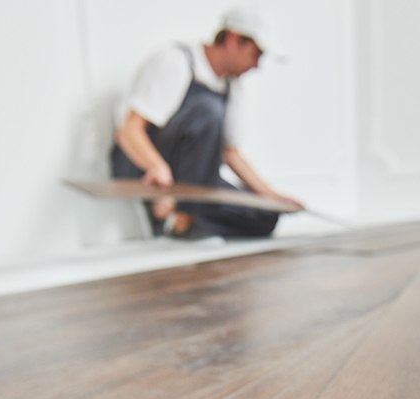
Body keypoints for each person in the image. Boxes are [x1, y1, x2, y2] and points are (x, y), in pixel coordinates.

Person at [110, 5, 304, 238]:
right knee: (207, 110)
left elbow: (230, 153)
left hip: (198, 178)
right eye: (256, 54)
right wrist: (156, 167)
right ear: (234, 39)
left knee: (264, 216)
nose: (256, 65)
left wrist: (272, 196)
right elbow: (129, 131)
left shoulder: (232, 86)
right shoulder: (176, 61)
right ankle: (181, 213)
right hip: (144, 167)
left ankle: (184, 220)